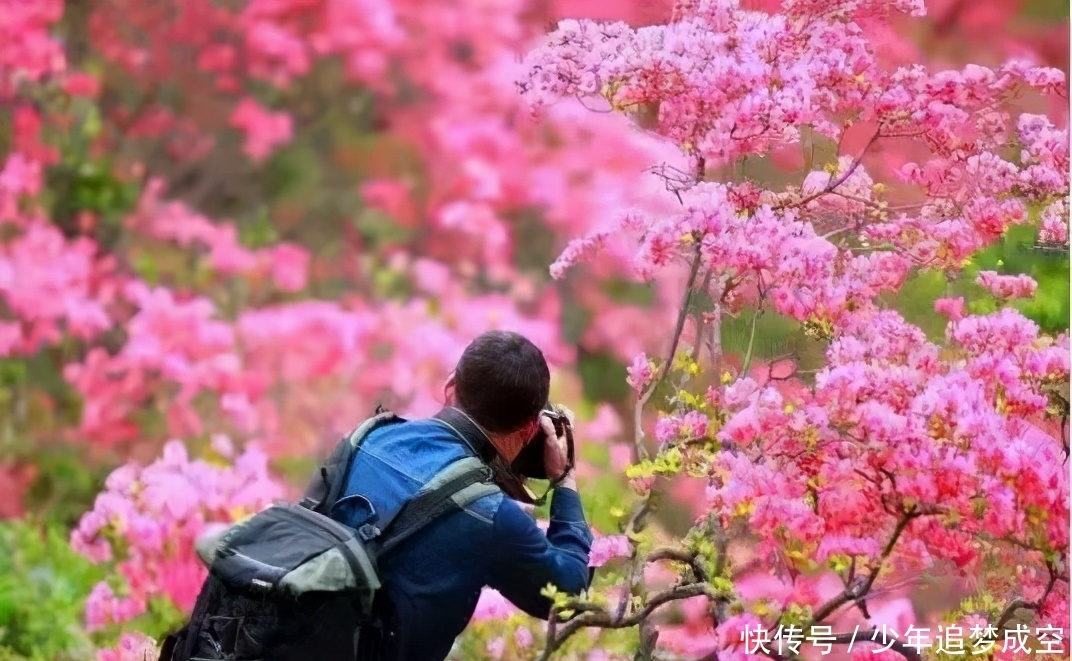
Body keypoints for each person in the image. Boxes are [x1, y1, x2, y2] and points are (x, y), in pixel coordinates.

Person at [330, 329, 594, 660]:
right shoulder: (490, 516)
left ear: (451, 385)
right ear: (529, 430)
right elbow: (568, 595)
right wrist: (565, 478)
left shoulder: (367, 438)